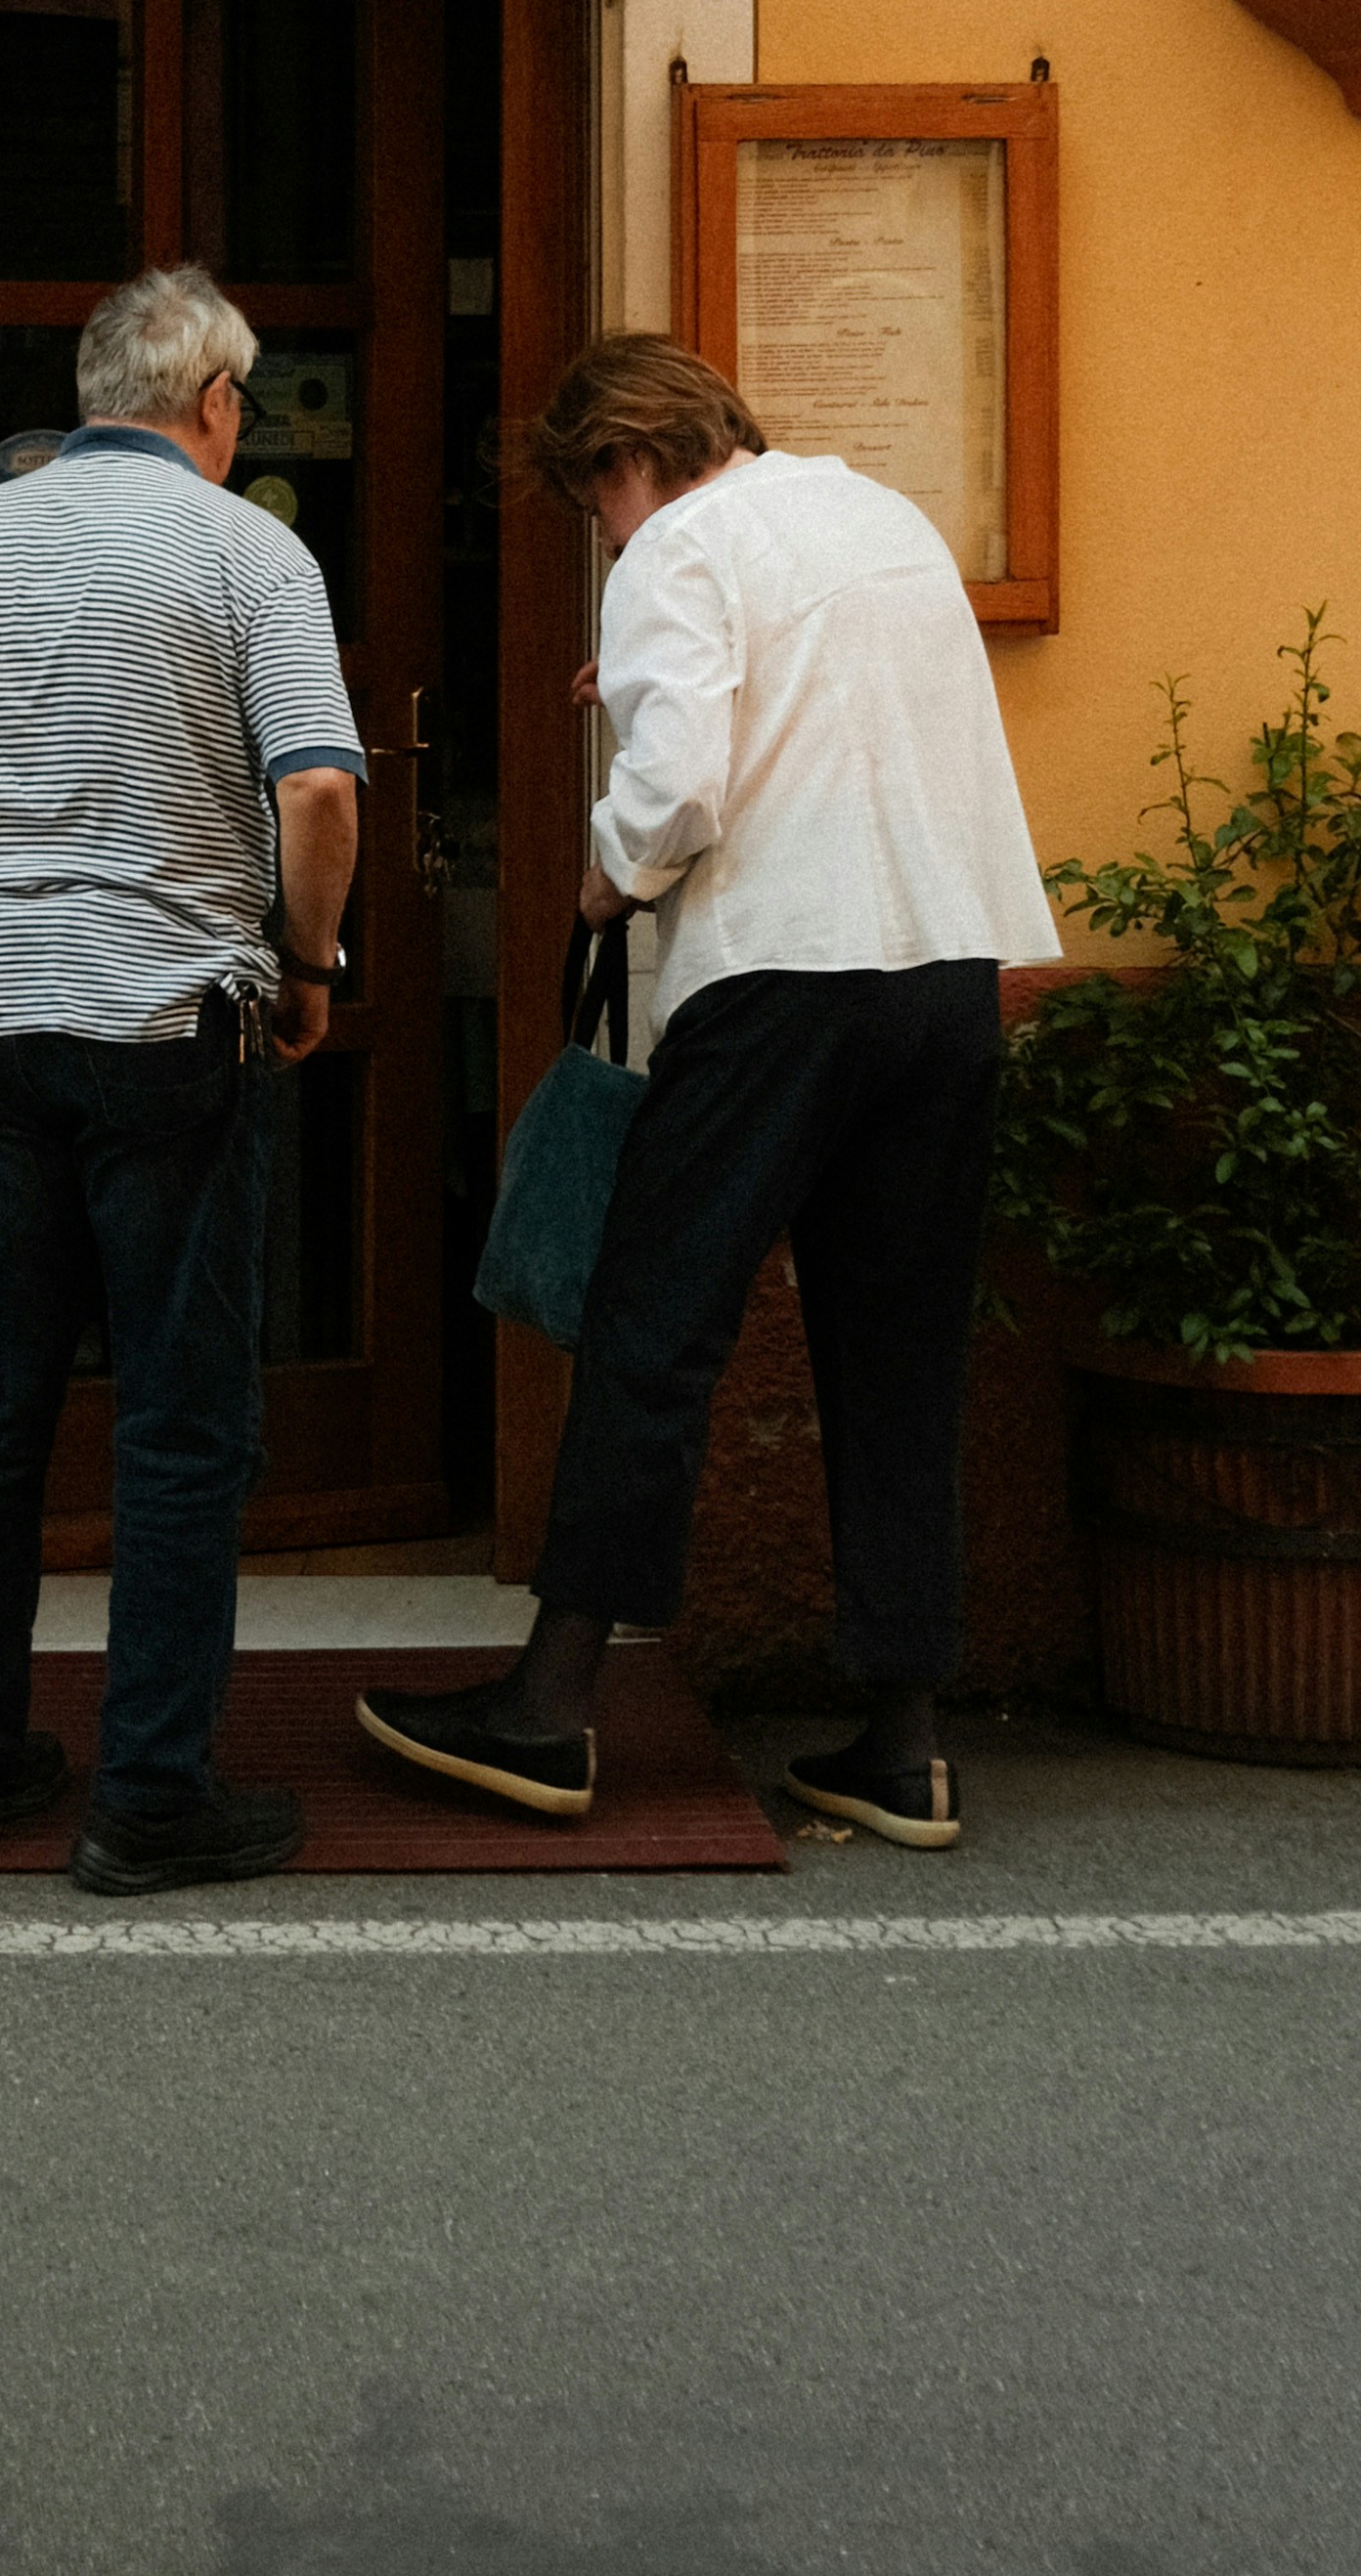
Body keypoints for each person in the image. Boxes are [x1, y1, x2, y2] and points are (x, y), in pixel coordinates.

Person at [360, 334, 1056, 1851]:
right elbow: (826, 709)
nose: (608, 539)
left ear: (621, 461)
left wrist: (605, 878)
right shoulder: (881, 517)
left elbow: (676, 789)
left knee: (653, 1331)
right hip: (944, 971)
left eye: (594, 508)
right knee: (896, 1355)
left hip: (778, 983)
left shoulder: (674, 547)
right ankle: (901, 1745)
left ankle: (547, 1708)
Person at [0, 261, 363, 1898]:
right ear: (214, 403)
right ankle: (148, 1797)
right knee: (180, 1425)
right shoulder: (248, 549)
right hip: (164, 1019)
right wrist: (308, 964)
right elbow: (320, 791)